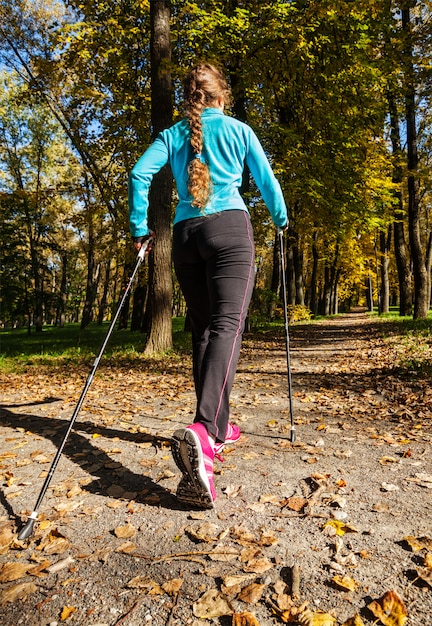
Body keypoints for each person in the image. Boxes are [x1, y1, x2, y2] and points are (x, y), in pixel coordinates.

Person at [129, 62, 288, 509]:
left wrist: (140, 228)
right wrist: (280, 219)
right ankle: (203, 429)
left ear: (192, 99)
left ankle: (218, 425)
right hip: (229, 230)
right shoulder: (239, 130)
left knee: (203, 328)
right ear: (222, 97)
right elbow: (266, 181)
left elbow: (140, 175)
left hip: (184, 236)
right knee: (226, 327)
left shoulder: (172, 136)